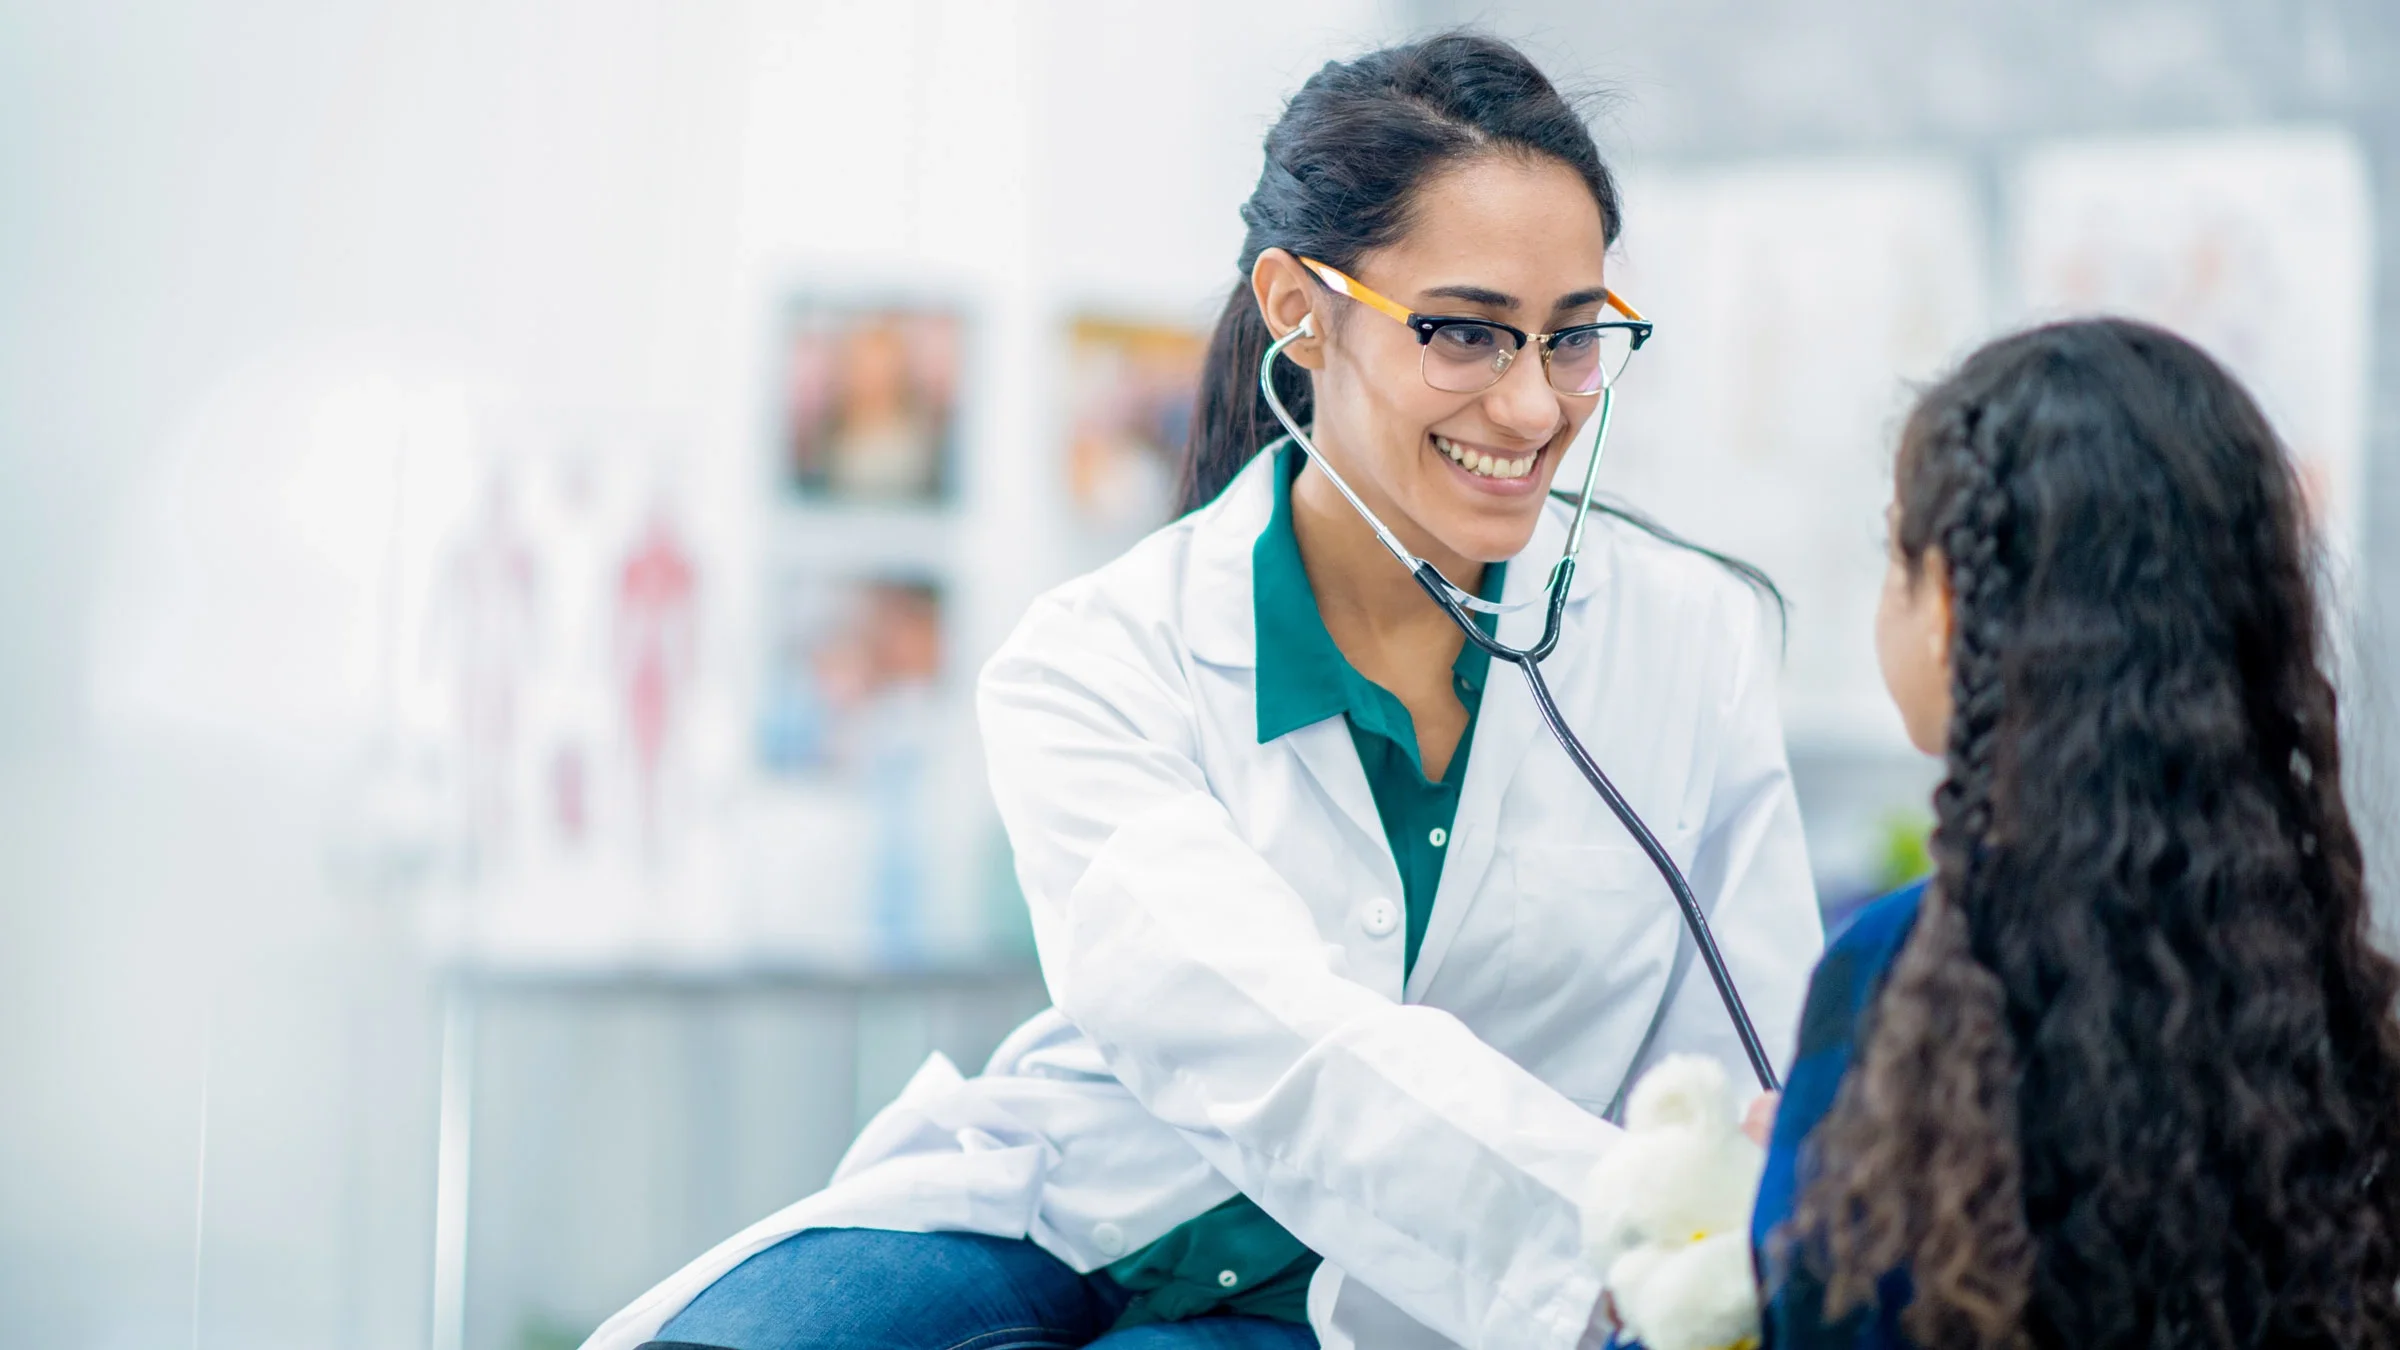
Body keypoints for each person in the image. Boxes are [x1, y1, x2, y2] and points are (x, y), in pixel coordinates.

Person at [587, 32, 1822, 1350]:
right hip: (1087, 1207)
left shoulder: (1690, 641)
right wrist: (1609, 1222)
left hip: (1420, 1292)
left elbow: (1753, 1063)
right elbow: (1246, 1027)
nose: (1531, 405)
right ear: (1300, 306)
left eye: (1572, 338)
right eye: (1466, 333)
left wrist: (1708, 1244)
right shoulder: (1100, 655)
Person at [1750, 318, 2400, 1350]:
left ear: (1950, 605)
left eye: (1893, 553)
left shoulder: (1902, 977)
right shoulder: (2330, 989)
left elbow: (1817, 1316)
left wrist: (1778, 1187)